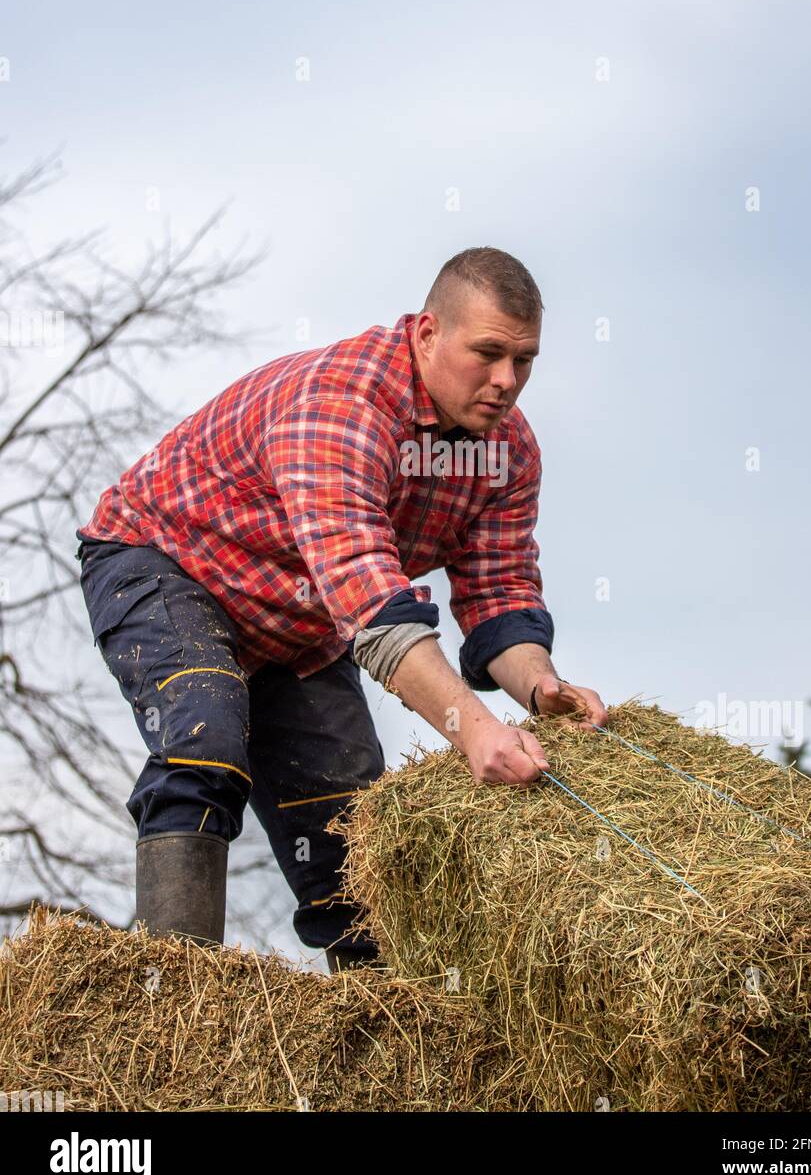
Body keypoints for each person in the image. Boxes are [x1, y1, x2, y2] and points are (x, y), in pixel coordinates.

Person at [75, 246, 608, 969]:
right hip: (168, 564)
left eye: (524, 360)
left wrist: (541, 686)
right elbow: (368, 597)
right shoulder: (342, 403)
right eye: (486, 353)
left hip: (299, 627)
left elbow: (499, 592)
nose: (505, 381)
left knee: (355, 831)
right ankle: (175, 984)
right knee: (206, 733)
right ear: (426, 333)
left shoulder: (505, 452)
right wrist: (474, 731)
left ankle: (375, 1036)